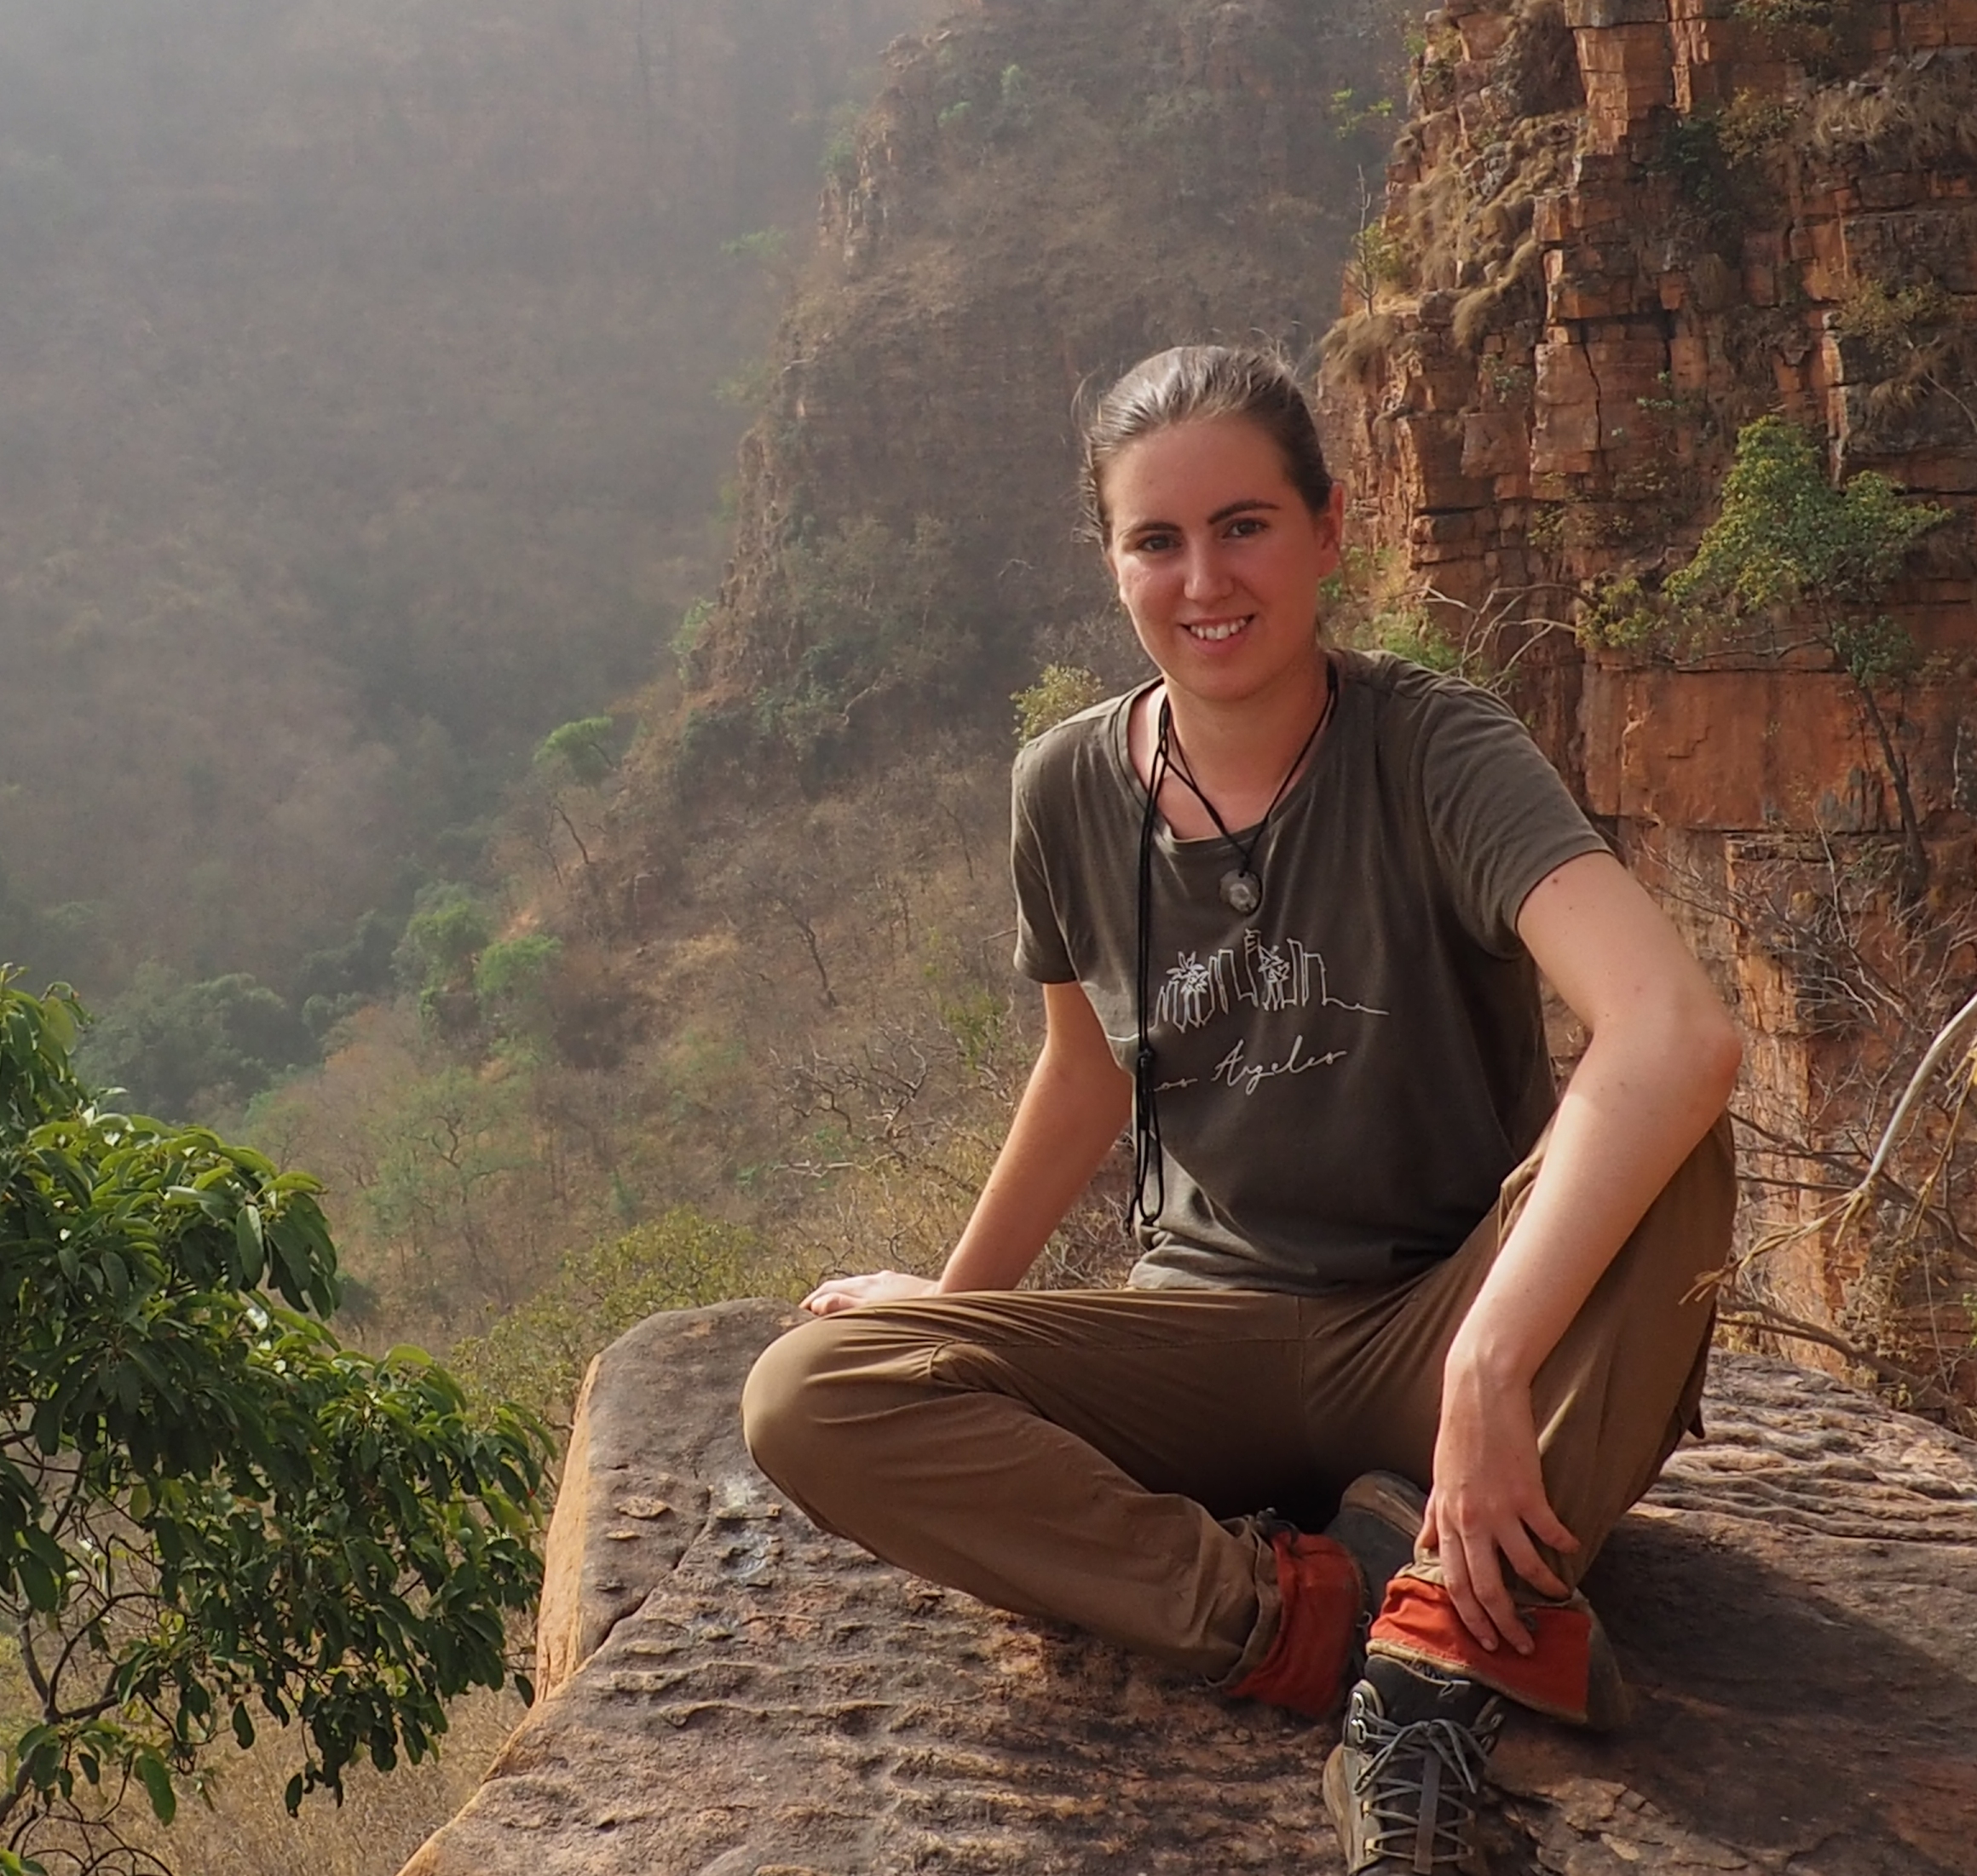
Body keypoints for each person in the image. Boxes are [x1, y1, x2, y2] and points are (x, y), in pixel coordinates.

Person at [741, 345, 1740, 1873]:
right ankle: (1317, 1616)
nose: (1205, 578)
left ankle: (1429, 1655)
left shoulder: (1434, 750)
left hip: (1441, 1318)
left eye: (1246, 525)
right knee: (812, 1394)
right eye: (1158, 540)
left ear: (1331, 530)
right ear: (1113, 562)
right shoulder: (1065, 786)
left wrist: (1484, 1365)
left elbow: (1670, 1028)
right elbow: (1083, 1077)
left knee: (1680, 1142)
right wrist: (952, 1311)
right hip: (1201, 1335)